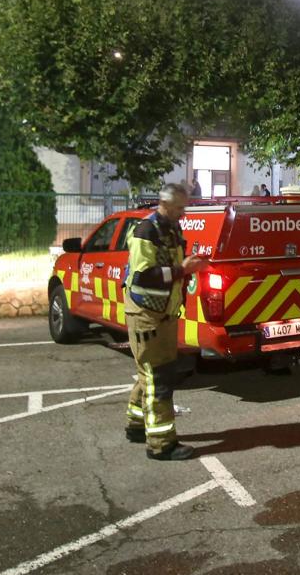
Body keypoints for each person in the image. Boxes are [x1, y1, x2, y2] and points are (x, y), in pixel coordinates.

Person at [124, 182, 204, 460]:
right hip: (147, 315)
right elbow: (143, 275)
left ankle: (136, 426)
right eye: (180, 207)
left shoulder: (171, 229)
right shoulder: (146, 230)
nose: (184, 212)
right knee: (158, 379)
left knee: (148, 372)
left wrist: (186, 270)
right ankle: (161, 445)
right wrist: (183, 269)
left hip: (163, 314)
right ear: (165, 204)